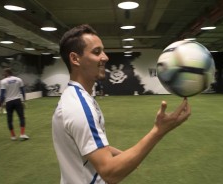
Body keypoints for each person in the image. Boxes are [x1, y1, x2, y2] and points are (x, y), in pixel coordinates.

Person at [52, 24, 191, 184]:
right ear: (75, 59)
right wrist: (159, 131)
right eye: (97, 52)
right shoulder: (79, 107)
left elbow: (87, 145)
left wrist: (124, 155)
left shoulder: (76, 97)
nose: (105, 57)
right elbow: (110, 173)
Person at [0, 68, 29, 141]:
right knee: (21, 117)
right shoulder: (18, 79)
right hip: (17, 101)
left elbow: (2, 94)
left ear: (7, 73)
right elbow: (22, 91)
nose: (4, 75)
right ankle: (22, 134)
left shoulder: (3, 81)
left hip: (9, 102)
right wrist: (24, 100)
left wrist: (0, 104)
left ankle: (13, 136)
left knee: (9, 120)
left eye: (4, 73)